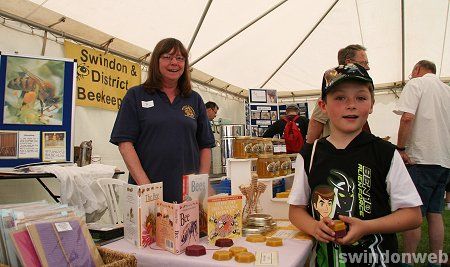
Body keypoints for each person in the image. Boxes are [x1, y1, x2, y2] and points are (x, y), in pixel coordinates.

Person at [289, 63, 422, 266]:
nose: (351, 105)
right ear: (323, 106)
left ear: (371, 104)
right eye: (340, 98)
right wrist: (314, 227)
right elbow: (296, 210)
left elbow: (412, 215)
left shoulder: (385, 153)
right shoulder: (310, 155)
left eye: (360, 98)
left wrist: (367, 227)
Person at [110, 38, 215, 203]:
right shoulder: (136, 95)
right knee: (151, 228)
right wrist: (147, 189)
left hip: (188, 196)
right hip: (146, 191)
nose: (174, 62)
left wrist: (200, 184)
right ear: (156, 61)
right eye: (167, 57)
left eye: (180, 58)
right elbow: (125, 144)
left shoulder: (194, 99)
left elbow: (205, 146)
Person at [394, 60, 450, 261]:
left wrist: (400, 148)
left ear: (417, 70)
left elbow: (407, 118)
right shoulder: (447, 90)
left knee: (413, 213)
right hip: (444, 160)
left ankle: (408, 261)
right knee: (435, 213)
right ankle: (437, 260)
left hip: (421, 158)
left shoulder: (416, 83)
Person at [306, 44, 371, 145]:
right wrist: (309, 150)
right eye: (364, 63)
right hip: (335, 150)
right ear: (349, 62)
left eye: (361, 98)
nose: (368, 67)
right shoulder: (332, 90)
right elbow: (316, 121)